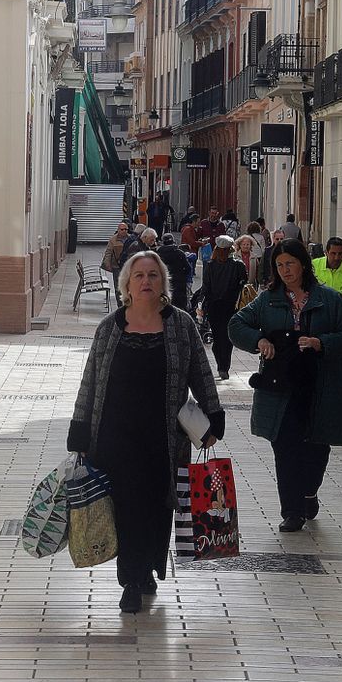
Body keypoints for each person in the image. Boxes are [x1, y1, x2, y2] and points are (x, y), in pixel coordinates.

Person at [66, 252, 225, 613]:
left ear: (163, 282)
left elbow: (200, 372)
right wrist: (79, 431)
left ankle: (149, 566)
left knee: (156, 508)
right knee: (125, 508)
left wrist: (213, 418)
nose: (146, 281)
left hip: (164, 439)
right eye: (138, 275)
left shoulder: (180, 324)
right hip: (114, 436)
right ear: (126, 283)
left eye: (153, 275)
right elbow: (90, 381)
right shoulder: (109, 327)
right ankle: (131, 580)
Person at [228, 239, 342, 532]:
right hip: (281, 389)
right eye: (279, 265)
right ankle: (292, 511)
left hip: (319, 389)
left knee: (317, 449)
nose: (285, 270)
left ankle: (309, 492)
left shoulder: (328, 299)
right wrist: (259, 341)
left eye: (290, 263)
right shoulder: (268, 299)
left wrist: (321, 342)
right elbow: (236, 326)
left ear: (303, 264)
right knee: (284, 448)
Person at [192, 235, 247, 380]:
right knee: (227, 337)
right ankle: (225, 367)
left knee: (217, 336)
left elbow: (206, 288)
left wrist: (200, 304)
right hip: (231, 306)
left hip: (214, 306)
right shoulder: (238, 265)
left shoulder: (210, 265)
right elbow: (243, 283)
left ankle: (220, 365)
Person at [156, 232, 192, 313]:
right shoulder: (179, 253)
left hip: (163, 283)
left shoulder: (158, 254)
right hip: (179, 284)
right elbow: (188, 268)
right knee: (178, 308)